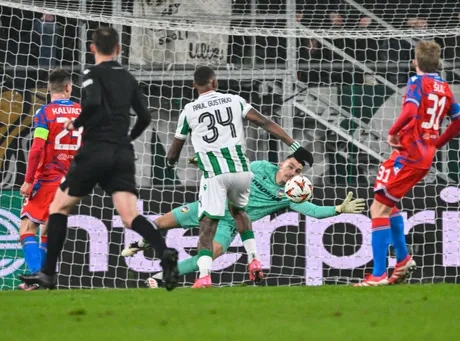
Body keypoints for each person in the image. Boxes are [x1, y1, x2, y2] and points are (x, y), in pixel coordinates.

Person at [19, 26, 179, 291]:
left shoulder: (92, 73)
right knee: (131, 217)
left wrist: (75, 124)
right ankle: (164, 253)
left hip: (94, 152)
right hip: (122, 153)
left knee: (58, 209)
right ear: (118, 48)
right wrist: (128, 140)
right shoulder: (128, 77)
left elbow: (92, 103)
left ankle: (47, 274)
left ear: (92, 49)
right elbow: (146, 117)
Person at [166, 66, 314, 288]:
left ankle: (204, 276)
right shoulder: (234, 100)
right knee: (240, 213)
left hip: (215, 175)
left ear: (193, 86)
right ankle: (254, 260)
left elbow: (176, 147)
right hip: (241, 171)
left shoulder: (188, 110)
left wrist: (170, 162)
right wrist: (293, 144)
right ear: (215, 83)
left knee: (207, 224)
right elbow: (263, 122)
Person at [122, 155, 365, 288]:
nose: (291, 172)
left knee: (208, 256)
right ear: (282, 163)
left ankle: (160, 279)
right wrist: (207, 164)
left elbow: (313, 211)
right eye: (290, 166)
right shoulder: (259, 167)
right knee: (160, 223)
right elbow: (233, 171)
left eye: (297, 171)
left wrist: (338, 209)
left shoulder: (291, 195)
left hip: (229, 224)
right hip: (209, 205)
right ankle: (142, 244)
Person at [355, 40, 460, 287]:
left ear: (415, 62)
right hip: (419, 154)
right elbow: (457, 121)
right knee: (386, 204)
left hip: (409, 153)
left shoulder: (416, 82)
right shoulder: (445, 87)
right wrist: (437, 144)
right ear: (439, 63)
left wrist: (392, 132)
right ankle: (402, 260)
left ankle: (378, 274)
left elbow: (411, 111)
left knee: (377, 209)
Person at [18, 69, 81, 291]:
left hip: (47, 178)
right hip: (72, 180)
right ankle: (42, 277)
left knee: (27, 227)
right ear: (68, 87)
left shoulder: (44, 113)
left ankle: (38, 274)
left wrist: (27, 180)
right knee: (47, 229)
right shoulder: (81, 111)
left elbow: (36, 149)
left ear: (48, 88)